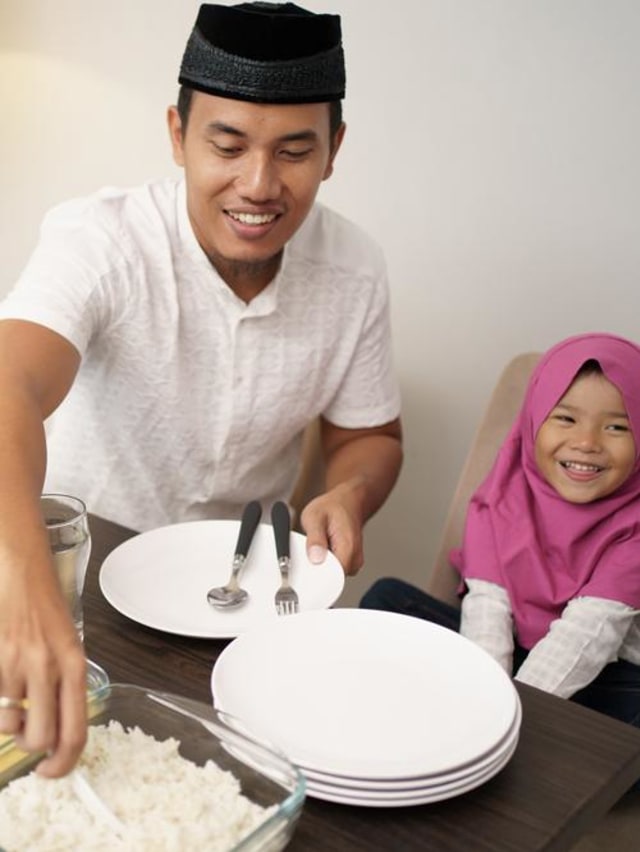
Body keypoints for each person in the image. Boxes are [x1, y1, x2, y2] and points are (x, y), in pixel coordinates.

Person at [0, 2, 403, 777]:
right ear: (178, 136)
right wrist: (23, 588)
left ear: (334, 150)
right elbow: (8, 384)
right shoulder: (102, 239)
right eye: (227, 145)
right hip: (71, 585)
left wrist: (350, 494)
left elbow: (370, 437)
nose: (258, 185)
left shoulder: (356, 269)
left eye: (294, 151)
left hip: (244, 597)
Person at [362, 333, 640, 731]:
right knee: (385, 598)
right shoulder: (504, 493)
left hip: (598, 670)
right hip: (506, 653)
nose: (586, 442)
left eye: (616, 427)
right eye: (565, 418)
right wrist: (487, 697)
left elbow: (588, 635)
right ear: (533, 421)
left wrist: (505, 719)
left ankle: (532, 735)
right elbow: (487, 609)